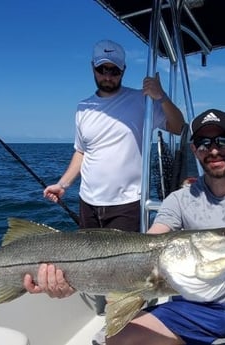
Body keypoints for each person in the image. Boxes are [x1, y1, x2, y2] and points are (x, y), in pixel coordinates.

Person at [25, 108, 225, 345]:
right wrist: (73, 278)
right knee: (117, 340)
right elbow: (149, 246)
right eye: (204, 144)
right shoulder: (179, 199)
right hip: (190, 310)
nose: (214, 149)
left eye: (222, 140)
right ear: (195, 150)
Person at [42, 39, 184, 233]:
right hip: (87, 203)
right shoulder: (83, 108)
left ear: (123, 70)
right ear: (93, 68)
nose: (107, 76)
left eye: (114, 71)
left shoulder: (143, 101)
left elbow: (178, 127)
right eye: (102, 69)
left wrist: (161, 96)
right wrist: (62, 184)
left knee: (127, 264)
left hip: (127, 205)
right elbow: (81, 152)